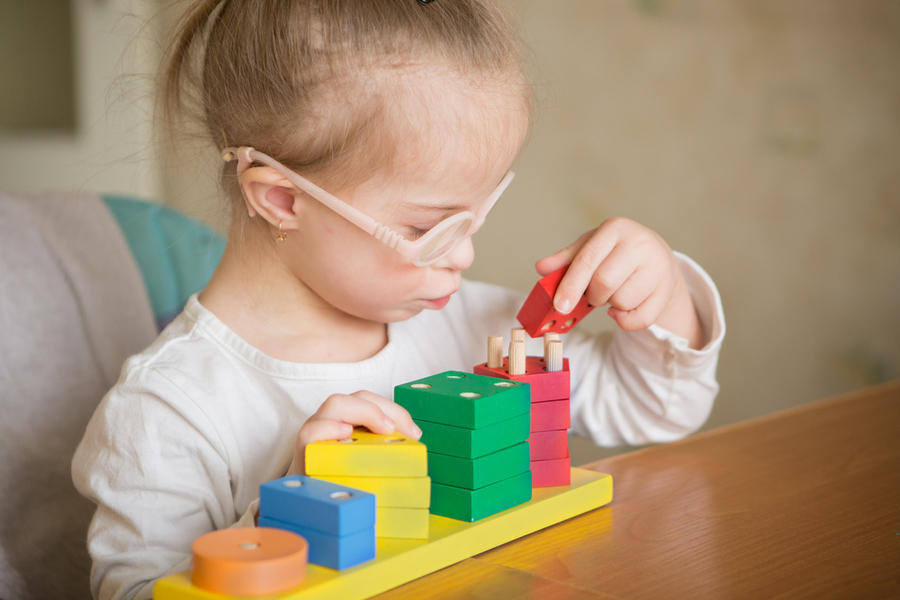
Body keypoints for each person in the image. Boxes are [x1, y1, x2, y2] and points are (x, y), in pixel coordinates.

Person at [72, 1, 725, 598]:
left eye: (478, 214)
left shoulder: (474, 329)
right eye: (428, 228)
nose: (464, 255)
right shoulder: (169, 412)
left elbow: (654, 410)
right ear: (282, 199)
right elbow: (135, 590)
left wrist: (663, 292)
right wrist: (295, 515)